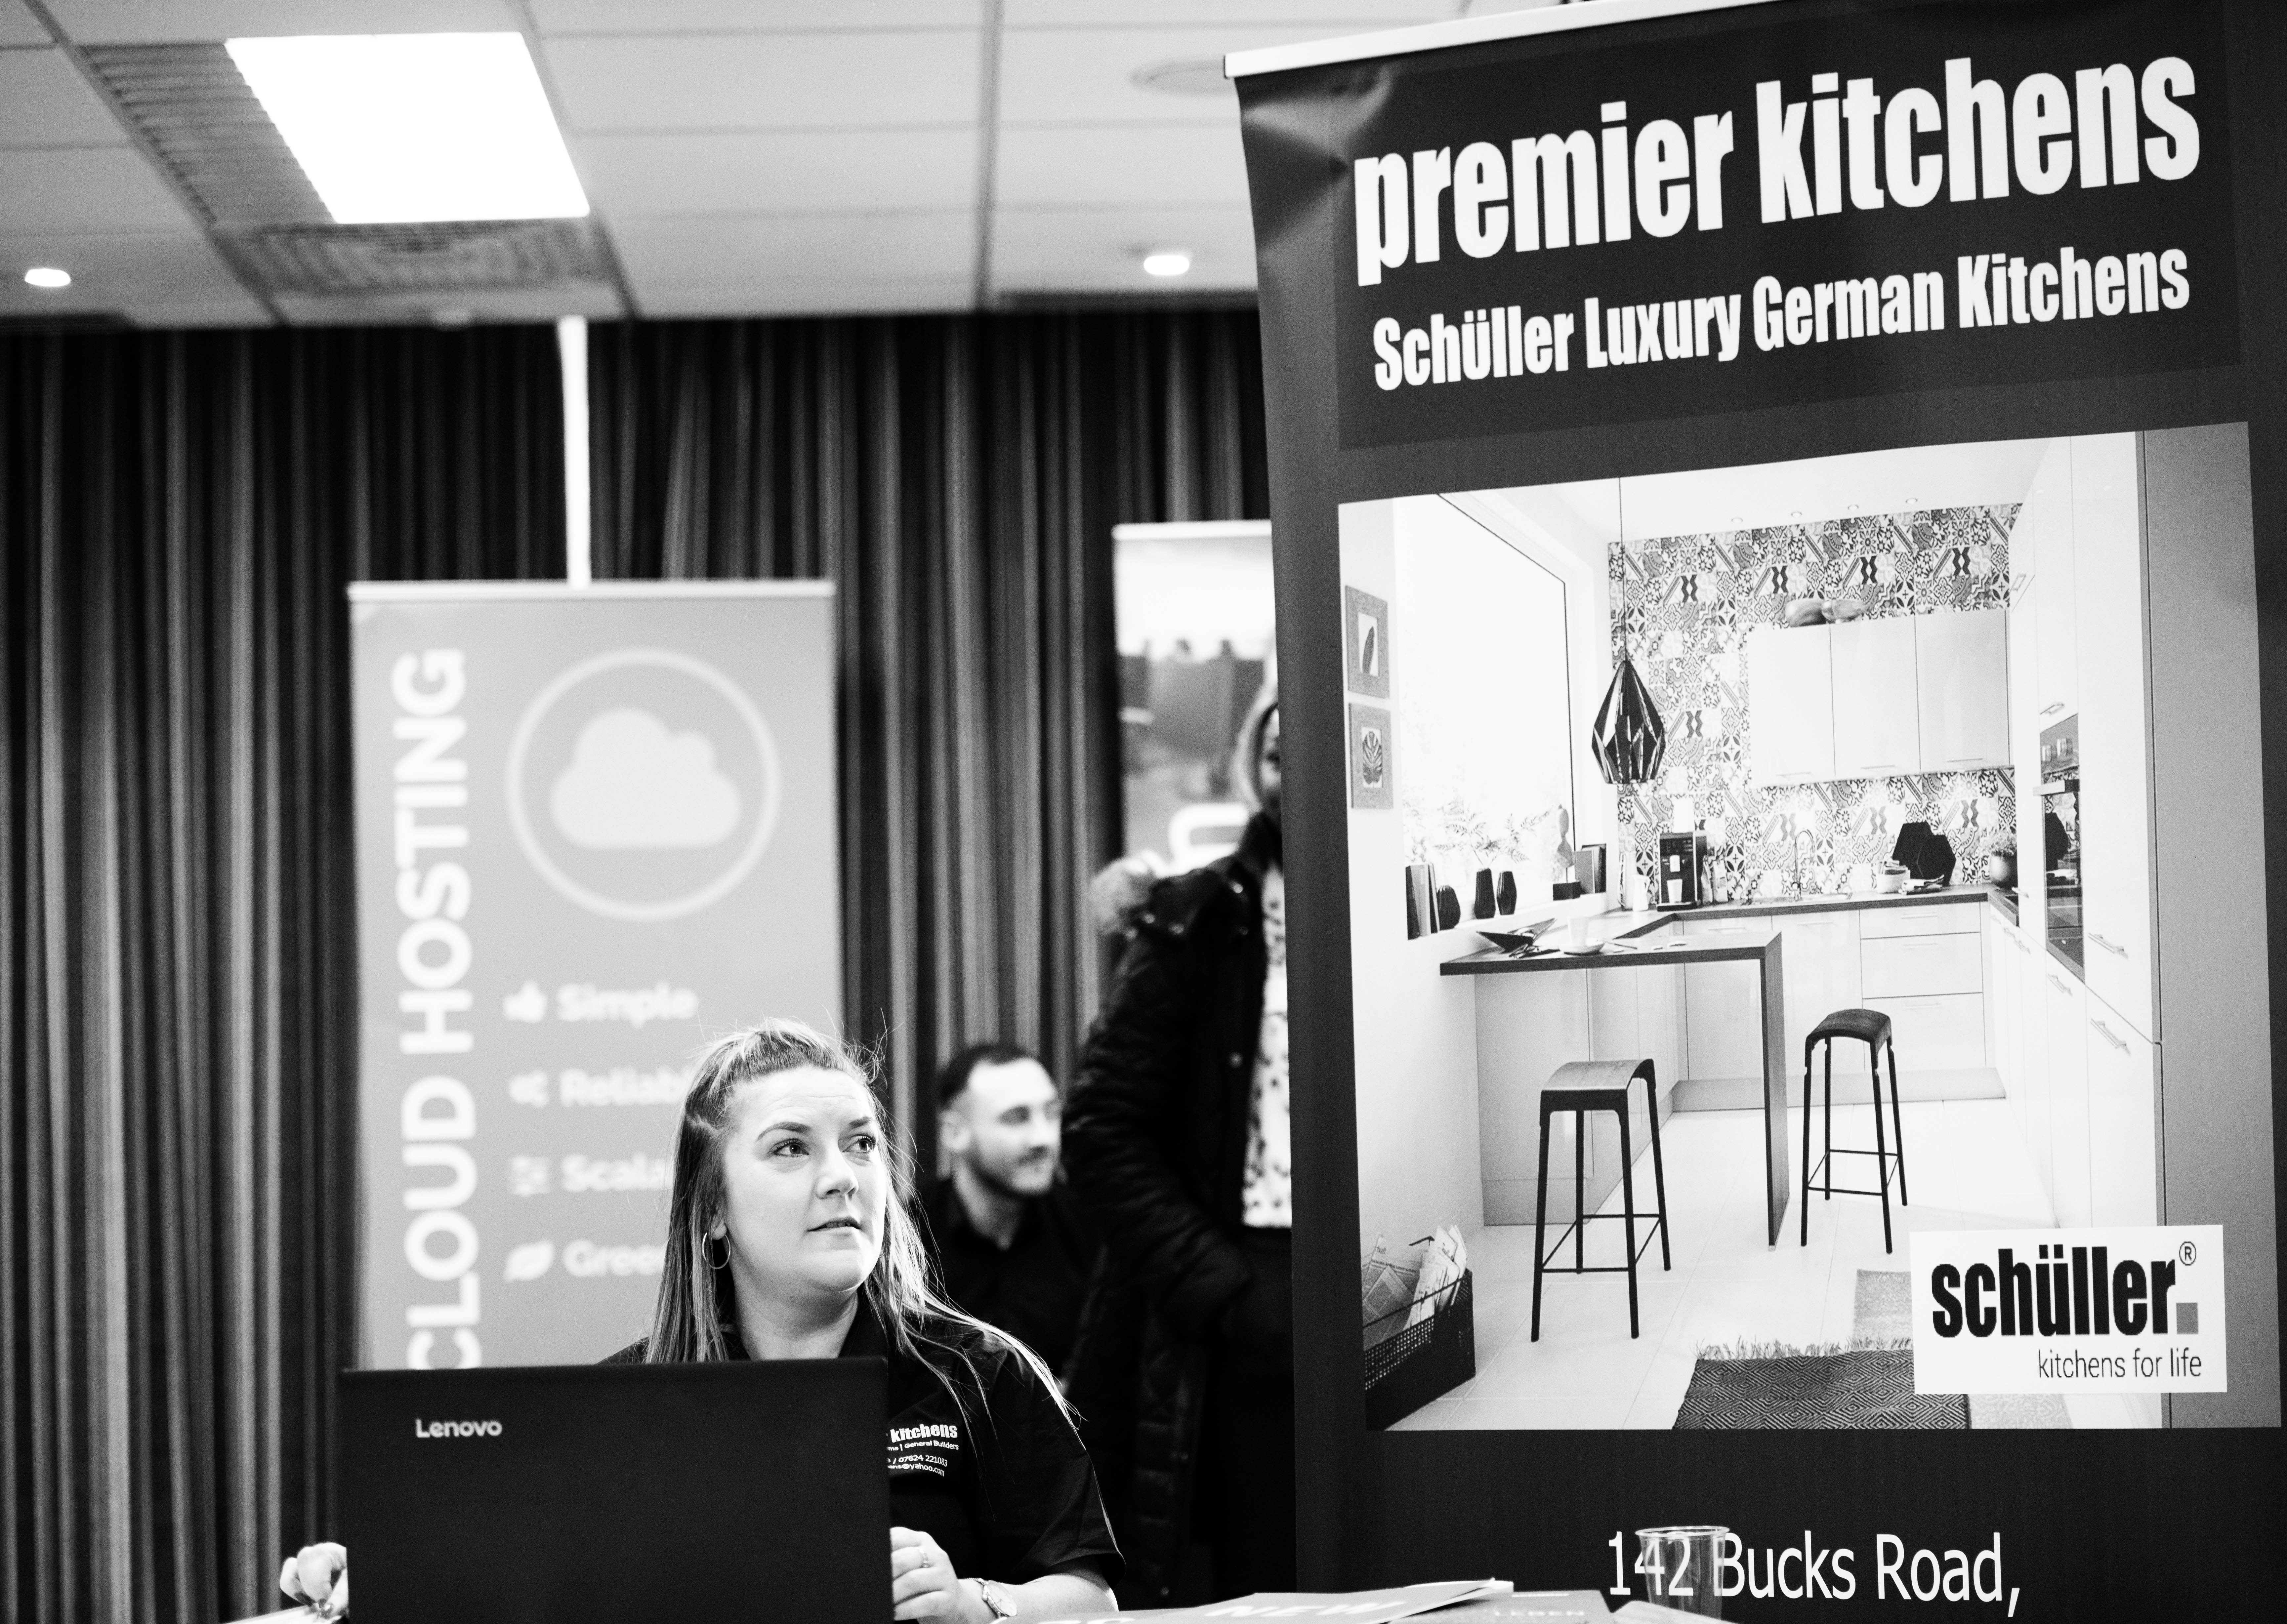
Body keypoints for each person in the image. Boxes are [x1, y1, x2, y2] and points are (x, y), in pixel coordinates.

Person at [281, 1020, 1120, 1623]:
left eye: (862, 1143)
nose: (843, 1175)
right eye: (791, 1147)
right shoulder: (621, 1406)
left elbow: (1095, 1599)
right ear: (712, 1206)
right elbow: (504, 1577)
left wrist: (976, 1602)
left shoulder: (982, 1373)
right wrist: (377, 1577)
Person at [1063, 684, 1292, 1604]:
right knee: (1270, 1575)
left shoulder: (1398, 905)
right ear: (1250, 769)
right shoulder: (1196, 914)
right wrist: (1224, 1286)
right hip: (1245, 1286)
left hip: (1381, 1278)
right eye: (1274, 748)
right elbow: (1100, 1127)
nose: (1293, 764)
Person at [923, 1043, 1097, 1378]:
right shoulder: (905, 1239)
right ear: (954, 1133)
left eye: (1051, 1114)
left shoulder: (1088, 1226)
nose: (1043, 1138)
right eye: (1017, 1118)